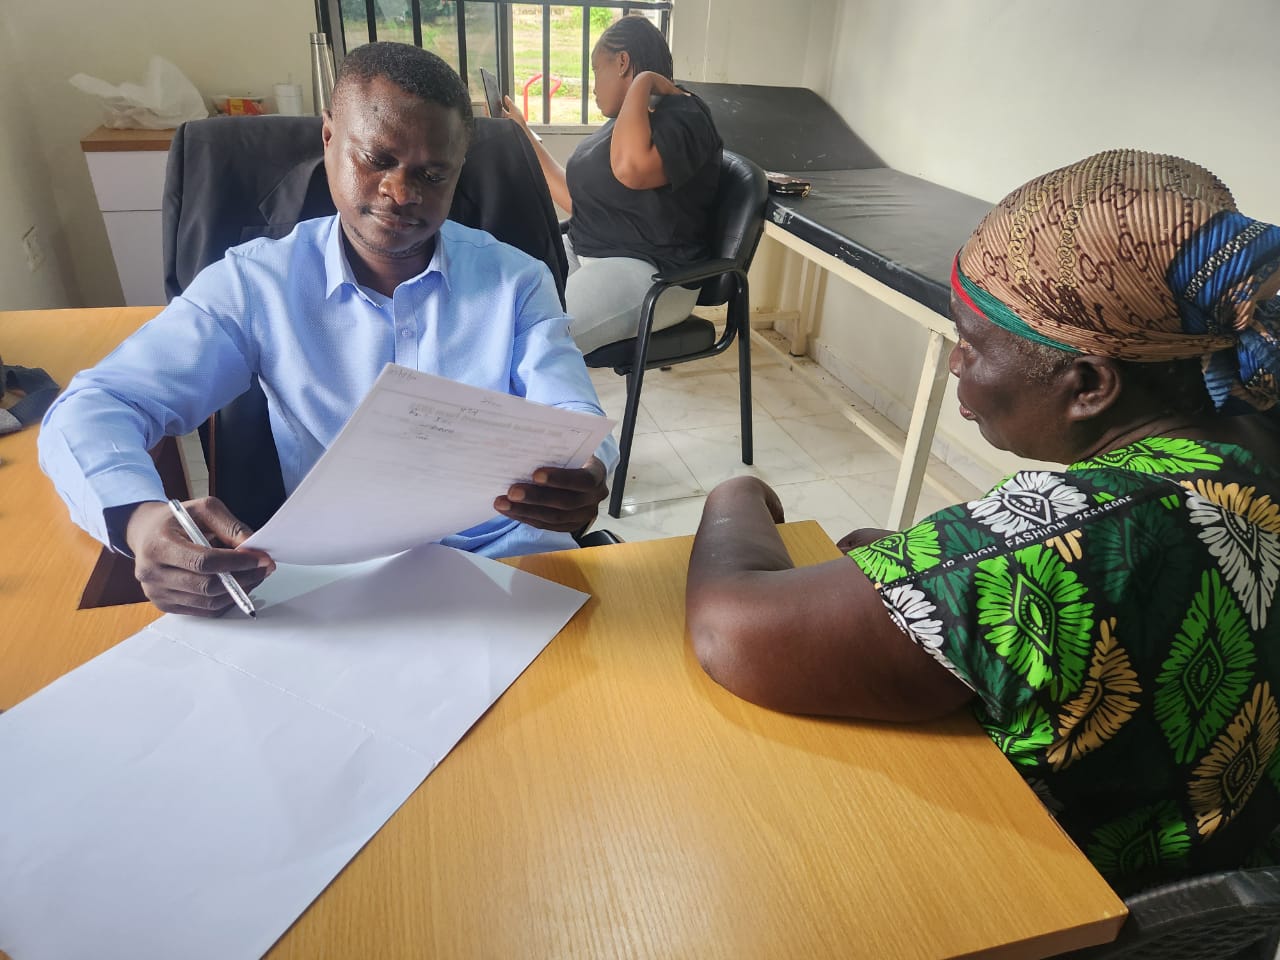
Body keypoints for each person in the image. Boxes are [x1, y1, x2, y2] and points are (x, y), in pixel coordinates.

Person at [685, 149, 1280, 894]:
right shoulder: (1251, 437)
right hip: (1226, 889)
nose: (954, 363)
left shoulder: (1073, 534)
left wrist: (735, 496)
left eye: (974, 344)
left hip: (1056, 903)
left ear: (1088, 384)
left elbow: (731, 629)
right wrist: (922, 575)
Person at [40, 43, 617, 617]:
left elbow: (572, 413)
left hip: (512, 570)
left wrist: (587, 470)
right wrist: (140, 519)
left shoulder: (516, 280)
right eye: (376, 159)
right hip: (342, 588)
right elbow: (96, 404)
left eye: (432, 173)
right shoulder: (257, 284)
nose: (401, 193)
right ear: (329, 137)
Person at [502, 14, 723, 354]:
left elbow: (631, 168)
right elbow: (578, 201)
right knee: (500, 313)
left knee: (533, 343)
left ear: (622, 62)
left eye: (596, 69)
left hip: (654, 275)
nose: (593, 86)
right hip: (585, 248)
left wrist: (643, 81)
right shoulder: (624, 122)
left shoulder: (686, 114)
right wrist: (523, 134)